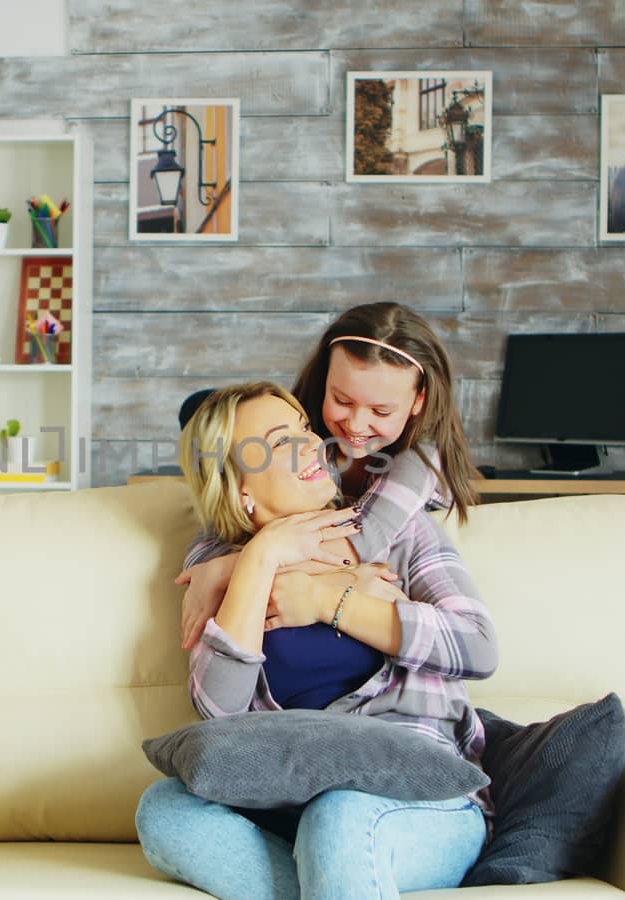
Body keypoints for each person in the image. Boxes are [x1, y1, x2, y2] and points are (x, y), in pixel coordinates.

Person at [136, 382, 498, 899]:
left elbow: (477, 647)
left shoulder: (402, 533)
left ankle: (333, 869)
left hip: (420, 799)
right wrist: (261, 557)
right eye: (279, 443)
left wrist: (332, 601)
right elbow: (218, 712)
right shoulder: (218, 565)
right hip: (290, 806)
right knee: (164, 809)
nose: (313, 445)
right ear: (241, 490)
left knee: (341, 814)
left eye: (305, 429)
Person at [177, 302, 480, 649]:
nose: (355, 424)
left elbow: (359, 544)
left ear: (419, 401)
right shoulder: (305, 443)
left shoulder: (418, 461)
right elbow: (219, 519)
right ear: (325, 382)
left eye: (381, 410)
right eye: (342, 400)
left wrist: (228, 570)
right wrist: (213, 566)